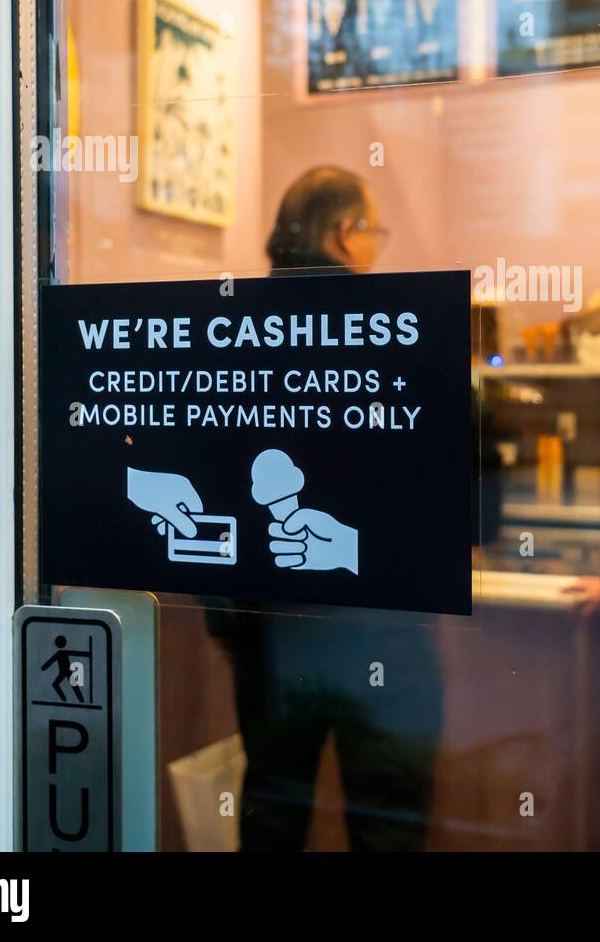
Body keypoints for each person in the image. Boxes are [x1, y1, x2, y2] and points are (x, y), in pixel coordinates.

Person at [212, 165, 443, 851]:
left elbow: (207, 475)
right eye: (373, 231)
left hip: (269, 637)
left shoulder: (224, 333)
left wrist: (230, 620)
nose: (377, 247)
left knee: (273, 812)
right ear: (344, 234)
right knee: (387, 825)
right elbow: (462, 499)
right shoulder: (401, 328)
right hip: (383, 634)